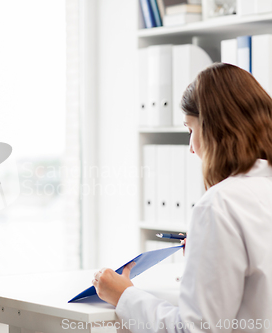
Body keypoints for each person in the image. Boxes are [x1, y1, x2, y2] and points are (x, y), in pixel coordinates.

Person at [93, 63, 272, 332]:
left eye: (190, 130)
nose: (191, 148)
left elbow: (194, 330)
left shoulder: (219, 204)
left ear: (216, 129)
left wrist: (124, 296)